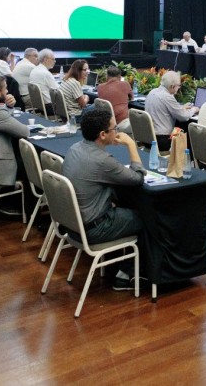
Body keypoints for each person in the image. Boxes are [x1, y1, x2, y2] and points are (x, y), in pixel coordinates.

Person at [63, 108, 145, 289]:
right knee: (149, 217)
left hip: (73, 225)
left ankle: (118, 266)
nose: (117, 132)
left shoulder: (74, 148)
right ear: (102, 134)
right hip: (94, 229)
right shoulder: (102, 161)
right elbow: (138, 178)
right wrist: (131, 145)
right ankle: (127, 275)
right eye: (114, 128)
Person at [145, 70, 196, 151]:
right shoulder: (167, 97)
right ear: (172, 86)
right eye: (179, 86)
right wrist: (194, 109)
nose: (179, 88)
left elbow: (166, 108)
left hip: (147, 138)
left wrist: (182, 107)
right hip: (162, 141)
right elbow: (183, 117)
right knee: (188, 137)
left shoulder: (152, 92)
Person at [97, 66, 133, 133]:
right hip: (121, 123)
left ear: (107, 76)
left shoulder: (100, 87)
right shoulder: (125, 84)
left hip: (106, 124)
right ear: (120, 77)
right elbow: (131, 98)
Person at [29, 48, 60, 114]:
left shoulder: (34, 70)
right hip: (50, 107)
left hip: (39, 106)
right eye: (53, 59)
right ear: (45, 59)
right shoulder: (45, 73)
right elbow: (59, 92)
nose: (55, 61)